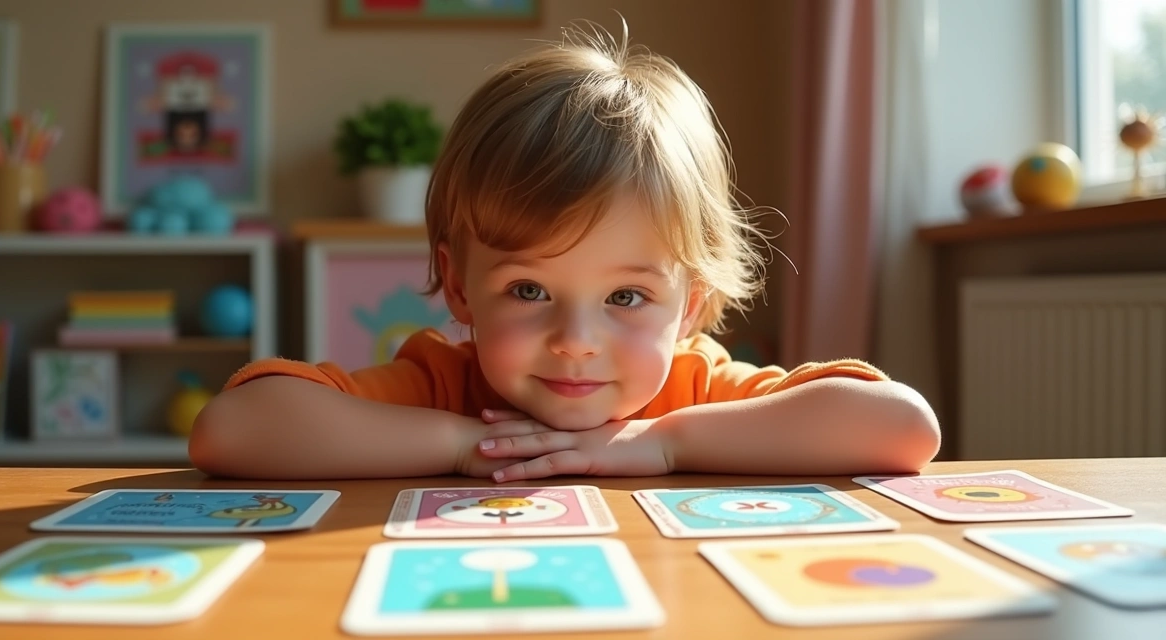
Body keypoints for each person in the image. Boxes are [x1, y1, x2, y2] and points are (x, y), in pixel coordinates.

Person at [189, 21, 940, 481]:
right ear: (460, 286)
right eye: (529, 290)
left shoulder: (696, 389)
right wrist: (460, 444)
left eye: (626, 297)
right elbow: (233, 428)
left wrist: (663, 444)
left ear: (693, 304)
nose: (576, 342)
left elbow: (903, 427)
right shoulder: (443, 385)